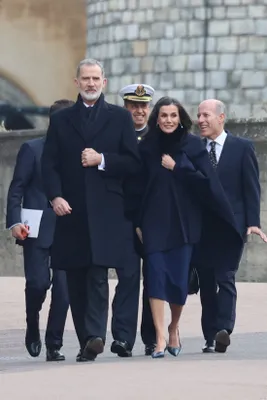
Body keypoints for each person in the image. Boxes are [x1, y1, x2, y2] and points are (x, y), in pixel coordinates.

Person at [41, 58, 141, 362]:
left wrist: (102, 159)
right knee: (75, 275)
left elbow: (133, 163)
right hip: (70, 209)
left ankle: (96, 335)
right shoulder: (61, 120)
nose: (91, 84)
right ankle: (87, 340)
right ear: (76, 82)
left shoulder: (119, 118)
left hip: (105, 210)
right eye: (86, 79)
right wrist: (55, 197)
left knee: (97, 273)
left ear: (104, 82)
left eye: (96, 78)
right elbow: (49, 164)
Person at [135, 96, 243, 359]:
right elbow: (135, 186)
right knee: (156, 278)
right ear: (156, 119)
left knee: (178, 281)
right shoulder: (147, 146)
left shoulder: (193, 146)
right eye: (163, 116)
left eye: (173, 116)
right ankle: (160, 337)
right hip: (154, 222)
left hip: (185, 223)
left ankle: (173, 327)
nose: (168, 120)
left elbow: (207, 185)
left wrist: (178, 167)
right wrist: (136, 222)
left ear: (180, 118)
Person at [195, 99, 267, 353]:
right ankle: (209, 335)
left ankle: (224, 329)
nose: (201, 120)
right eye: (198, 116)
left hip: (231, 227)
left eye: (206, 115)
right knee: (205, 282)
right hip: (202, 228)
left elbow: (251, 188)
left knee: (225, 277)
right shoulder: (194, 149)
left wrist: (253, 223)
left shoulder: (242, 148)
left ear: (221, 117)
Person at [6, 99, 73, 361]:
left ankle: (54, 344)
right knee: (38, 283)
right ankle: (32, 321)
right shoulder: (32, 149)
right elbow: (17, 188)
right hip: (35, 228)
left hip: (69, 230)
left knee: (64, 290)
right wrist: (14, 221)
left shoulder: (80, 153)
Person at [116, 83, 156, 356]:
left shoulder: (158, 138)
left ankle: (152, 337)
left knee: (153, 280)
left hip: (153, 219)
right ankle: (123, 338)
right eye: (133, 106)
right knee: (128, 278)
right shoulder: (115, 135)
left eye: (142, 106)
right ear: (126, 108)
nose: (139, 111)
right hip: (124, 218)